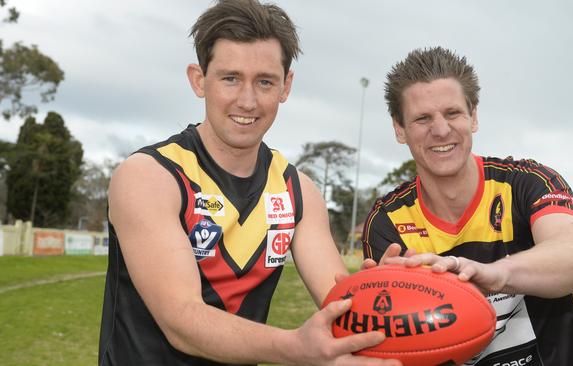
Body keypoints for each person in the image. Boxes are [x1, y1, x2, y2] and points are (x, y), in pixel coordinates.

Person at [98, 1, 401, 365]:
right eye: (230, 78)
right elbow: (181, 321)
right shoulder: (151, 176)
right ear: (199, 79)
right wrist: (294, 347)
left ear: (285, 86)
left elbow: (343, 306)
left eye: (264, 82)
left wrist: (389, 294)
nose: (247, 101)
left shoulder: (298, 191)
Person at [362, 47, 573, 366]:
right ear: (399, 128)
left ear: (473, 116)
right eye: (422, 118)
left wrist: (492, 275)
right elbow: (393, 341)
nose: (441, 130)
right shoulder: (387, 221)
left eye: (453, 113)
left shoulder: (527, 182)